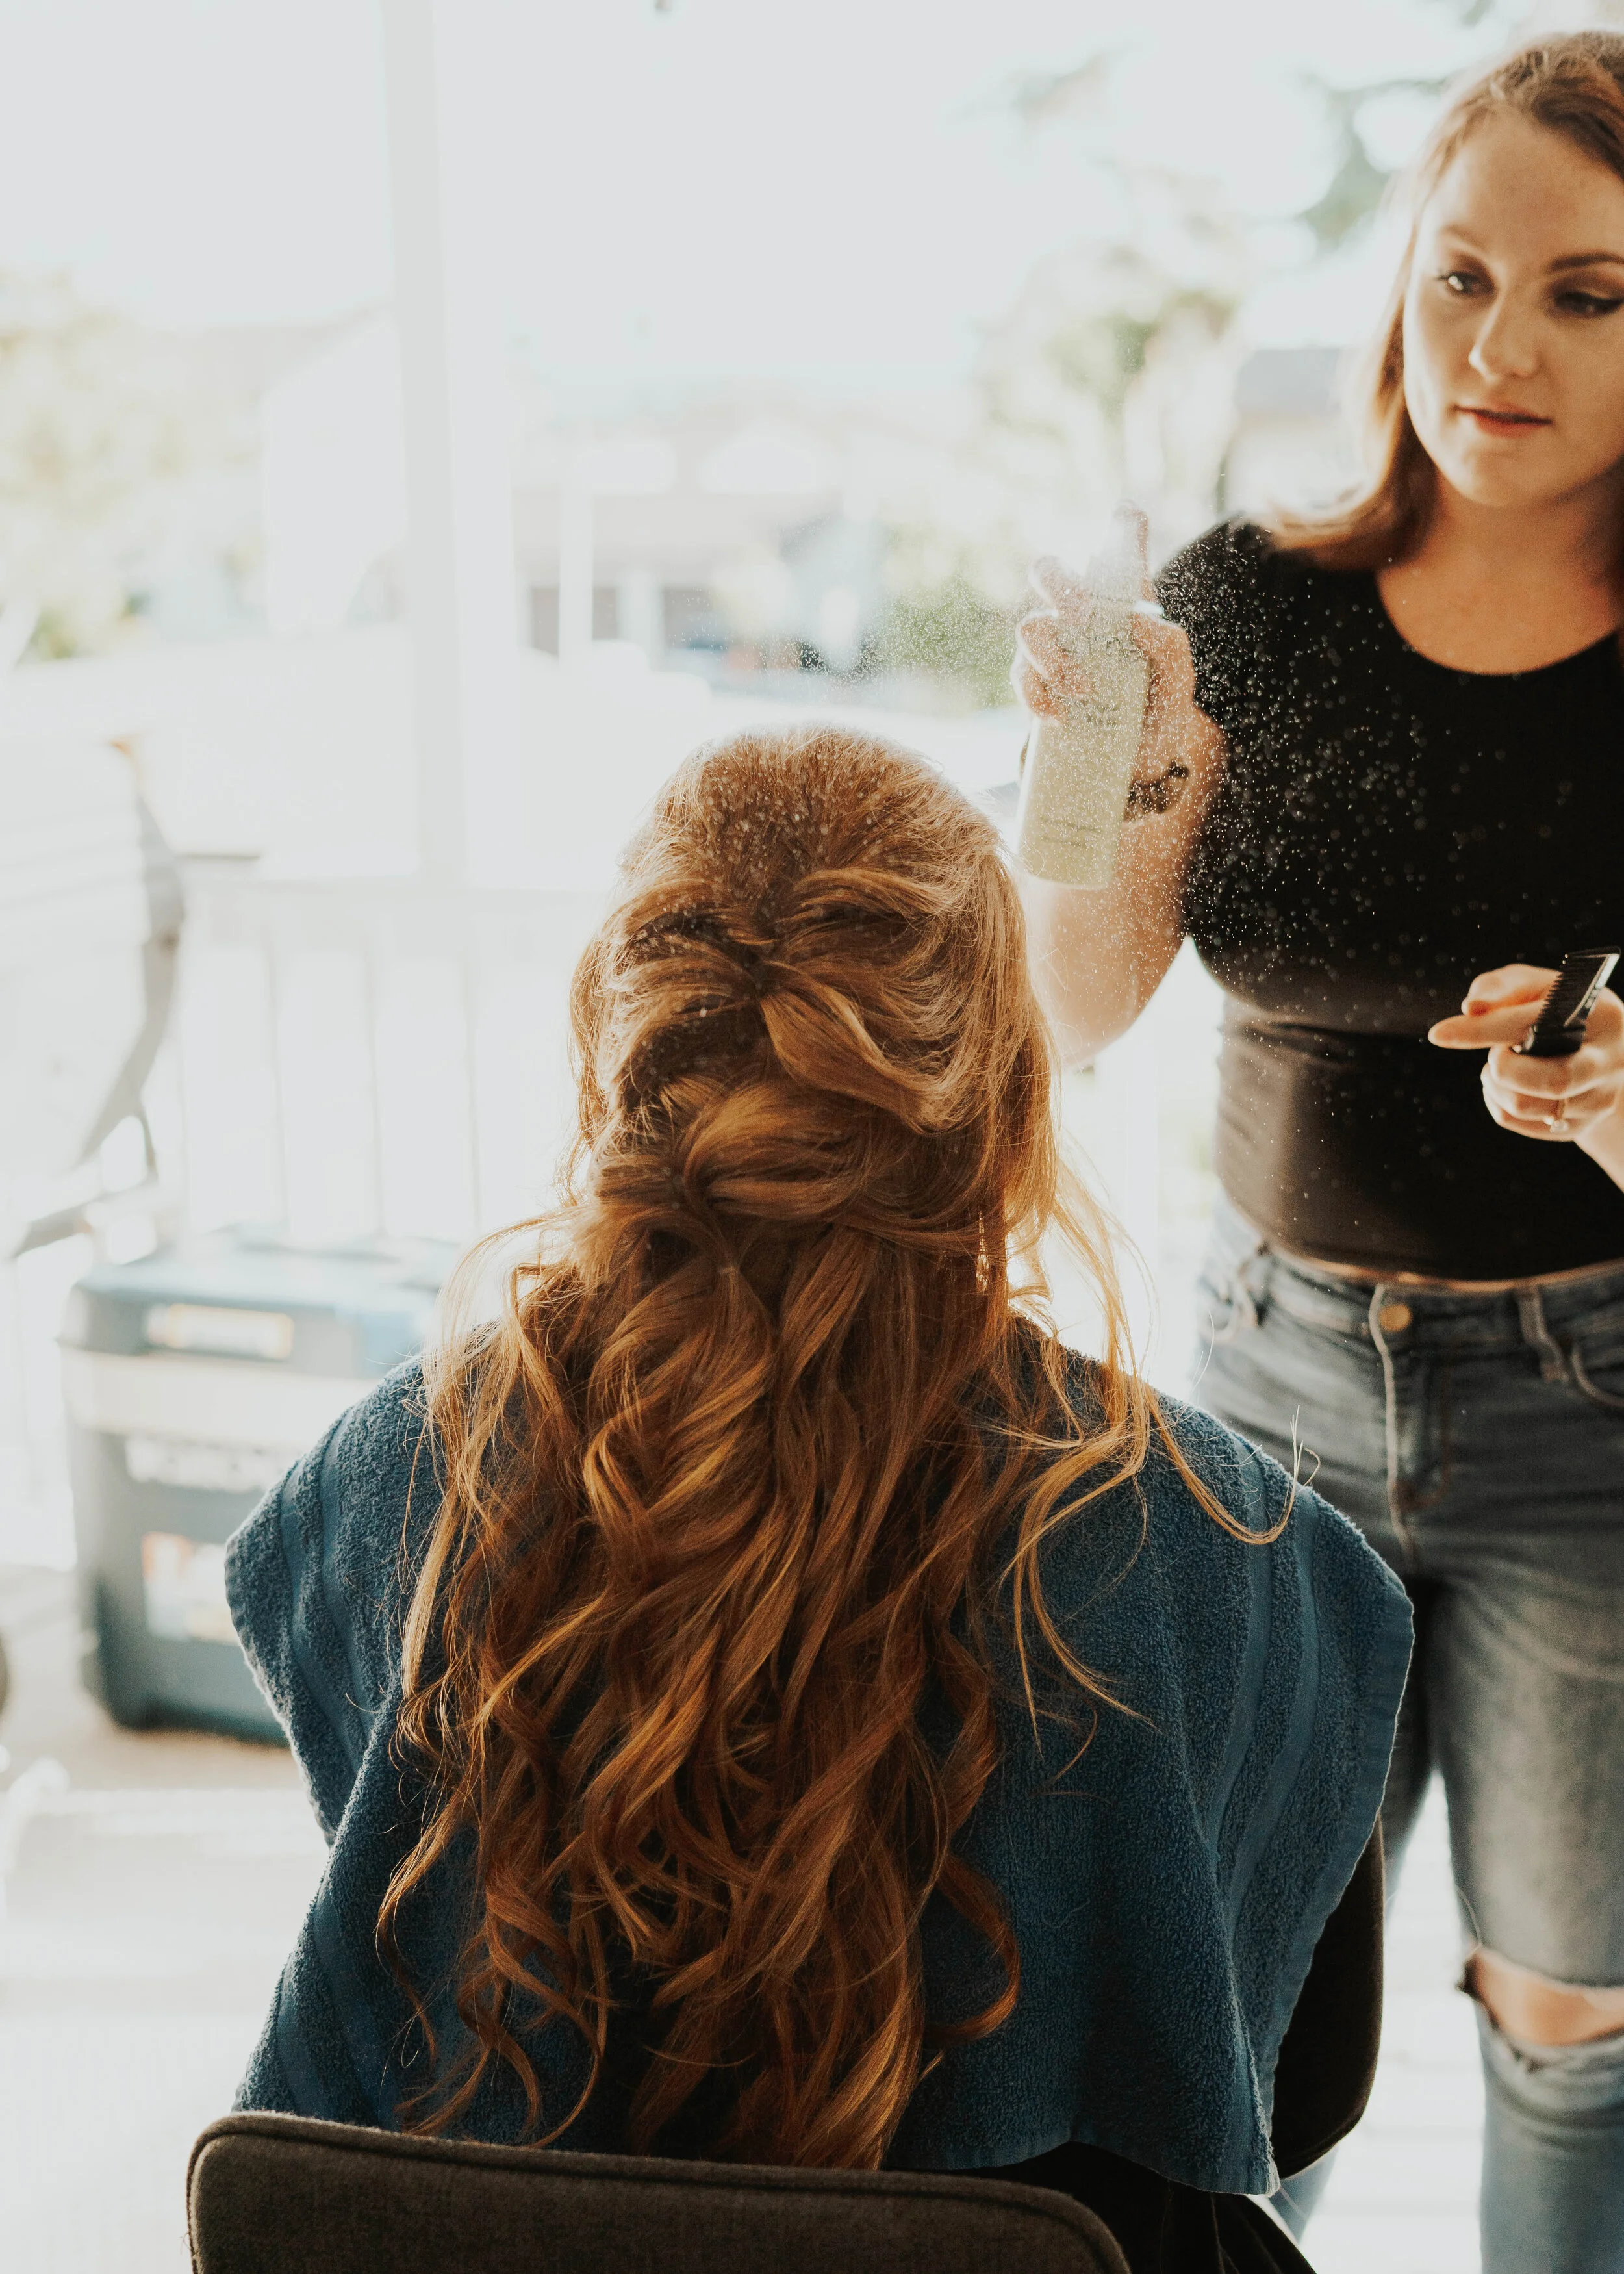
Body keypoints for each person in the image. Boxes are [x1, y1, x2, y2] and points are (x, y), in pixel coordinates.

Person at [225, 725, 1409, 2274]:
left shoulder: (390, 1475)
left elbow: (406, 1954)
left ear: (613, 1058)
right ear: (1005, 1097)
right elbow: (1288, 2102)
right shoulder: (1223, 1543)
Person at [1015, 32, 1624, 2274]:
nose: (1496, 347)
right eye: (1459, 275)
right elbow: (1074, 1006)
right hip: (1265, 1393)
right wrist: (1105, 767)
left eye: (1585, 293)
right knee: (1239, 2015)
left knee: (1569, 2016)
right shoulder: (1244, 598)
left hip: (1591, 1412)